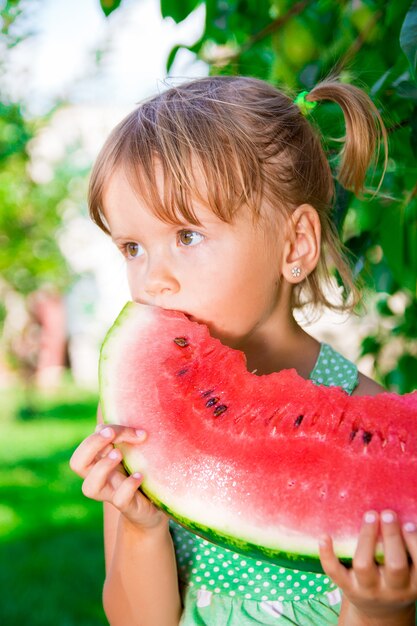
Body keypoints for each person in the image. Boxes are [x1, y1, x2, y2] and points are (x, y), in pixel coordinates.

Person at [70, 75, 417, 626]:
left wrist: (381, 605)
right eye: (133, 247)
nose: (153, 279)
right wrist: (142, 526)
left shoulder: (374, 429)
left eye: (186, 236)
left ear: (294, 244)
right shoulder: (137, 424)